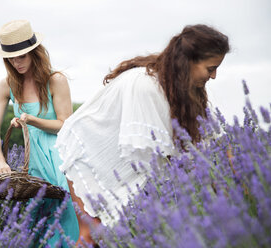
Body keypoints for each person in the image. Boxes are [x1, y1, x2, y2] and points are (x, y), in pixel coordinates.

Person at [55, 24, 230, 243]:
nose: (214, 76)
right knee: (92, 236)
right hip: (88, 157)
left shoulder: (184, 90)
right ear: (189, 62)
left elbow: (213, 138)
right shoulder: (145, 85)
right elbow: (156, 158)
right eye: (211, 68)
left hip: (126, 164)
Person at [0, 20, 79, 246]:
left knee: (63, 220)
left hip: (60, 159)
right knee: (34, 225)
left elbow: (65, 124)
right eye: (10, 58)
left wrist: (32, 120)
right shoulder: (7, 84)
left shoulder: (55, 80)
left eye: (22, 56)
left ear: (34, 53)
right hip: (32, 163)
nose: (16, 63)